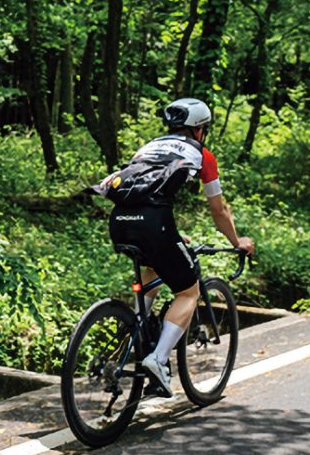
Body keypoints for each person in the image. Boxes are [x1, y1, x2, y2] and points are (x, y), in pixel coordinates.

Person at [104, 98, 255, 397]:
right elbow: (219, 209)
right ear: (200, 130)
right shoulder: (202, 155)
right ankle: (157, 360)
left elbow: (144, 193)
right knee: (188, 291)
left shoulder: (147, 148)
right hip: (153, 223)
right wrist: (237, 242)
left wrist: (171, 234)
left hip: (120, 221)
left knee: (152, 271)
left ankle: (135, 333)